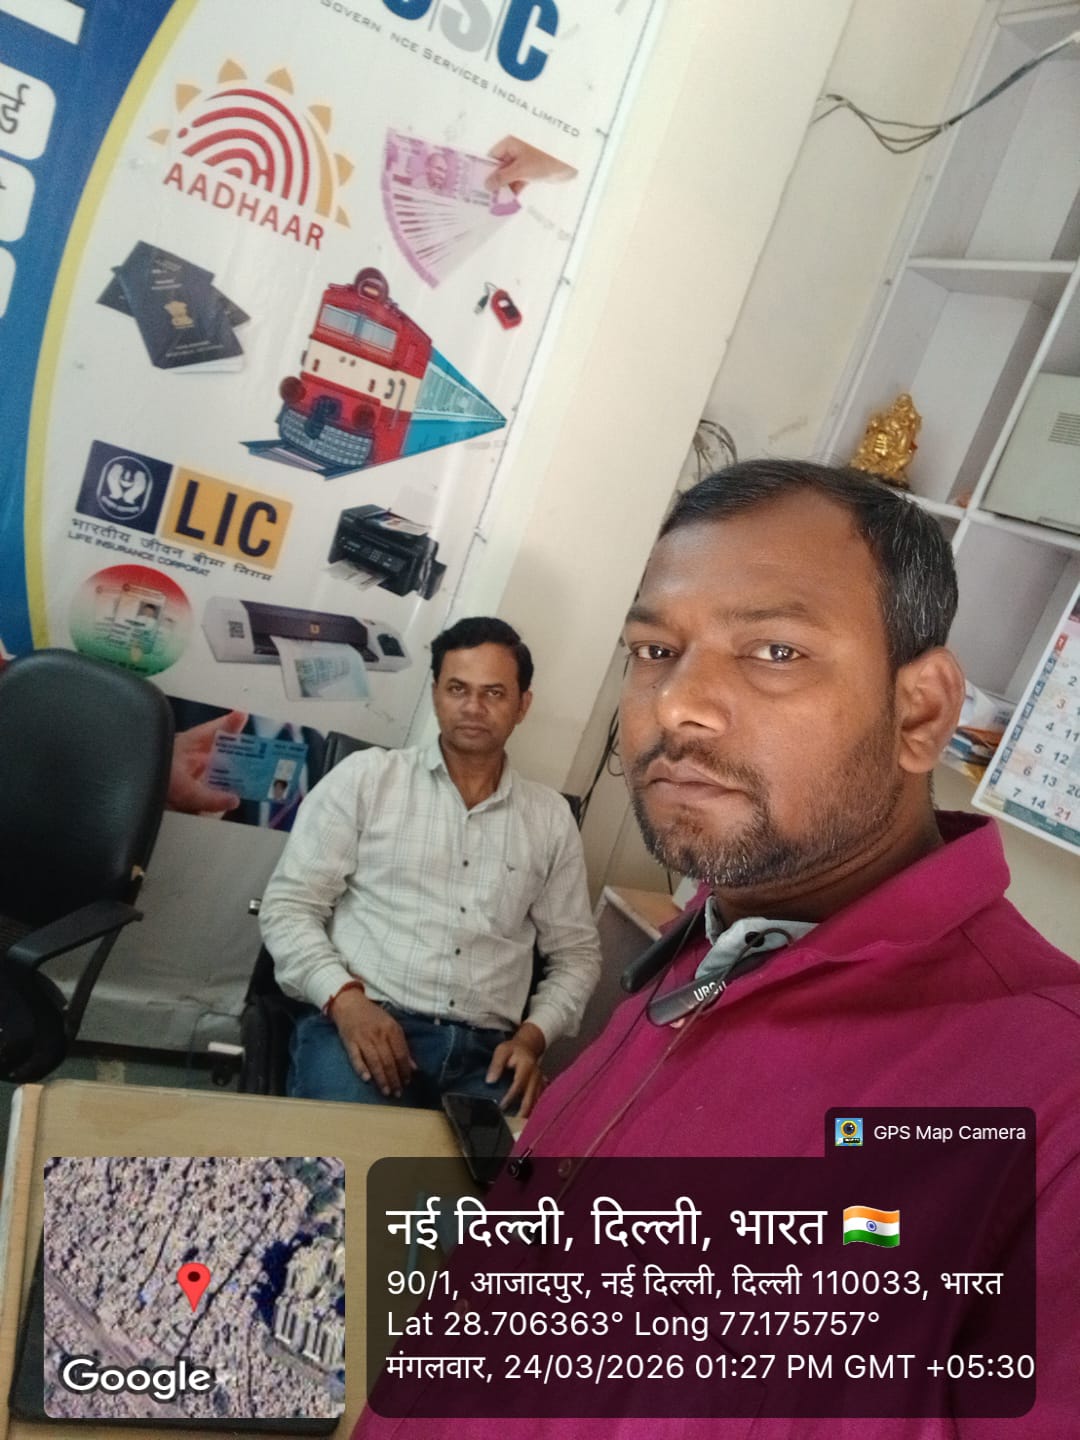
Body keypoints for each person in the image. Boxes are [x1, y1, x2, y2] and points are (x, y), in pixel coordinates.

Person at [354, 462, 1080, 1438]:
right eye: (655, 650)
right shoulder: (711, 944)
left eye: (775, 650)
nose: (677, 705)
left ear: (919, 712)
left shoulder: (1052, 1107)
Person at [260, 616, 600, 1118]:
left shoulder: (549, 819)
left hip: (488, 1057)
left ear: (523, 705)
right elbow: (288, 907)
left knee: (519, 1167)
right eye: (458, 688)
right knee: (356, 1161)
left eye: (494, 693)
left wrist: (532, 1038)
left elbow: (577, 955)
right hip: (367, 1026)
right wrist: (347, 1003)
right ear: (436, 692)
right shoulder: (368, 780)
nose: (473, 707)